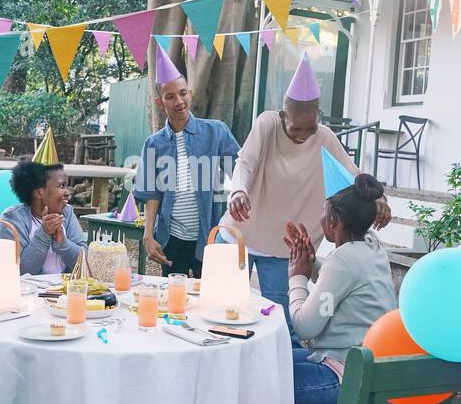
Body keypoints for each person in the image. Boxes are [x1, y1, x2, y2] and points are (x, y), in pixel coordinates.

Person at [227, 51, 391, 332]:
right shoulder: (267, 124)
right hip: (243, 234)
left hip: (284, 245)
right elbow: (246, 162)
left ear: (319, 115)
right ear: (282, 116)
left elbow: (353, 174)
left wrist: (380, 197)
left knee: (281, 326)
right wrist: (237, 191)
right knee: (227, 314)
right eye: (295, 127)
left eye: (310, 127)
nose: (303, 133)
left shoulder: (324, 137)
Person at [286, 173, 396, 404]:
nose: (321, 216)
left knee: (259, 381)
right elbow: (341, 284)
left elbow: (305, 327)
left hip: (345, 380)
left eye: (324, 210)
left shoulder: (343, 259)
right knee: (271, 358)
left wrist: (297, 276)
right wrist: (311, 262)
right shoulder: (371, 246)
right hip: (363, 371)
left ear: (334, 219)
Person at [135, 44, 240, 278]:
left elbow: (242, 172)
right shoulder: (154, 144)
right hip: (172, 240)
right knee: (175, 303)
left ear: (190, 93)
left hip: (210, 236)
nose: (179, 101)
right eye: (170, 96)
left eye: (182, 93)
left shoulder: (217, 132)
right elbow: (151, 195)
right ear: (160, 102)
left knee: (208, 300)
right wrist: (148, 235)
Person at [0, 159, 86, 275]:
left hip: (65, 291)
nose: (67, 192)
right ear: (39, 193)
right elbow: (18, 272)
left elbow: (85, 262)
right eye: (61, 186)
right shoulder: (12, 219)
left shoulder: (67, 212)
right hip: (27, 292)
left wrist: (63, 243)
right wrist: (44, 234)